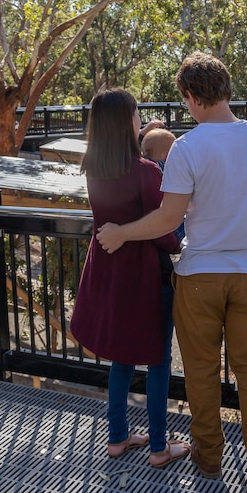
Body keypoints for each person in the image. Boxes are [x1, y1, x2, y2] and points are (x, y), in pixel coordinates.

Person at [95, 52, 247, 493]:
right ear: (225, 89)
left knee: (200, 372)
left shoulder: (187, 148)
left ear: (190, 97)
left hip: (199, 273)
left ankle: (209, 457)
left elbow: (167, 220)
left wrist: (122, 233)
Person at [69, 89, 190, 469]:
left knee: (121, 358)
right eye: (137, 114)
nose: (141, 119)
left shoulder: (94, 169)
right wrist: (179, 244)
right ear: (127, 121)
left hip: (111, 273)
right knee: (157, 359)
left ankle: (118, 437)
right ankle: (158, 446)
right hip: (146, 276)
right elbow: (163, 228)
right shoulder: (146, 172)